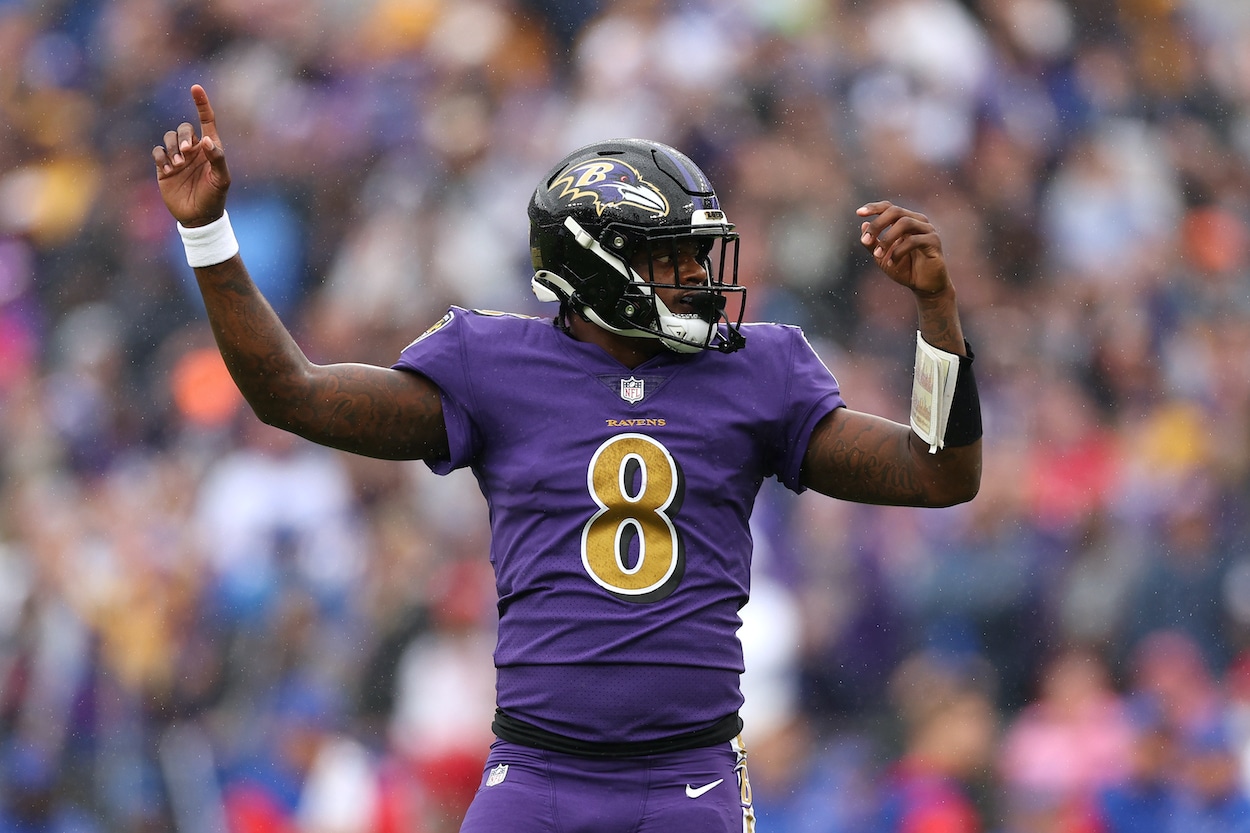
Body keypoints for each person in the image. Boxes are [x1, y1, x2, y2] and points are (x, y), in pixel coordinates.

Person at [152, 84, 982, 833]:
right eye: (672, 257)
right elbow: (290, 393)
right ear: (594, 262)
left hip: (688, 777)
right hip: (537, 774)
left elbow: (939, 472)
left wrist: (937, 310)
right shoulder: (491, 364)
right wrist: (208, 232)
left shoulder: (756, 369)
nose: (698, 275)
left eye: (698, 253)